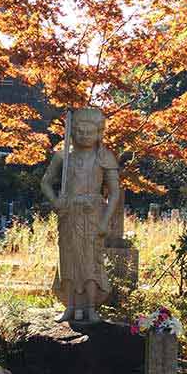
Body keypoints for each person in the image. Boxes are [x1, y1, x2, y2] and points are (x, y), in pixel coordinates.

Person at [41, 108, 120, 323]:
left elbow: (114, 193)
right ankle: (70, 306)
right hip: (69, 213)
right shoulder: (63, 157)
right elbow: (46, 182)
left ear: (99, 134)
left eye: (89, 132)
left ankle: (91, 307)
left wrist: (106, 220)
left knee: (90, 261)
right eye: (80, 131)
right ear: (73, 132)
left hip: (93, 214)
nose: (84, 136)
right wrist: (56, 201)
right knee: (68, 260)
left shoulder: (105, 158)